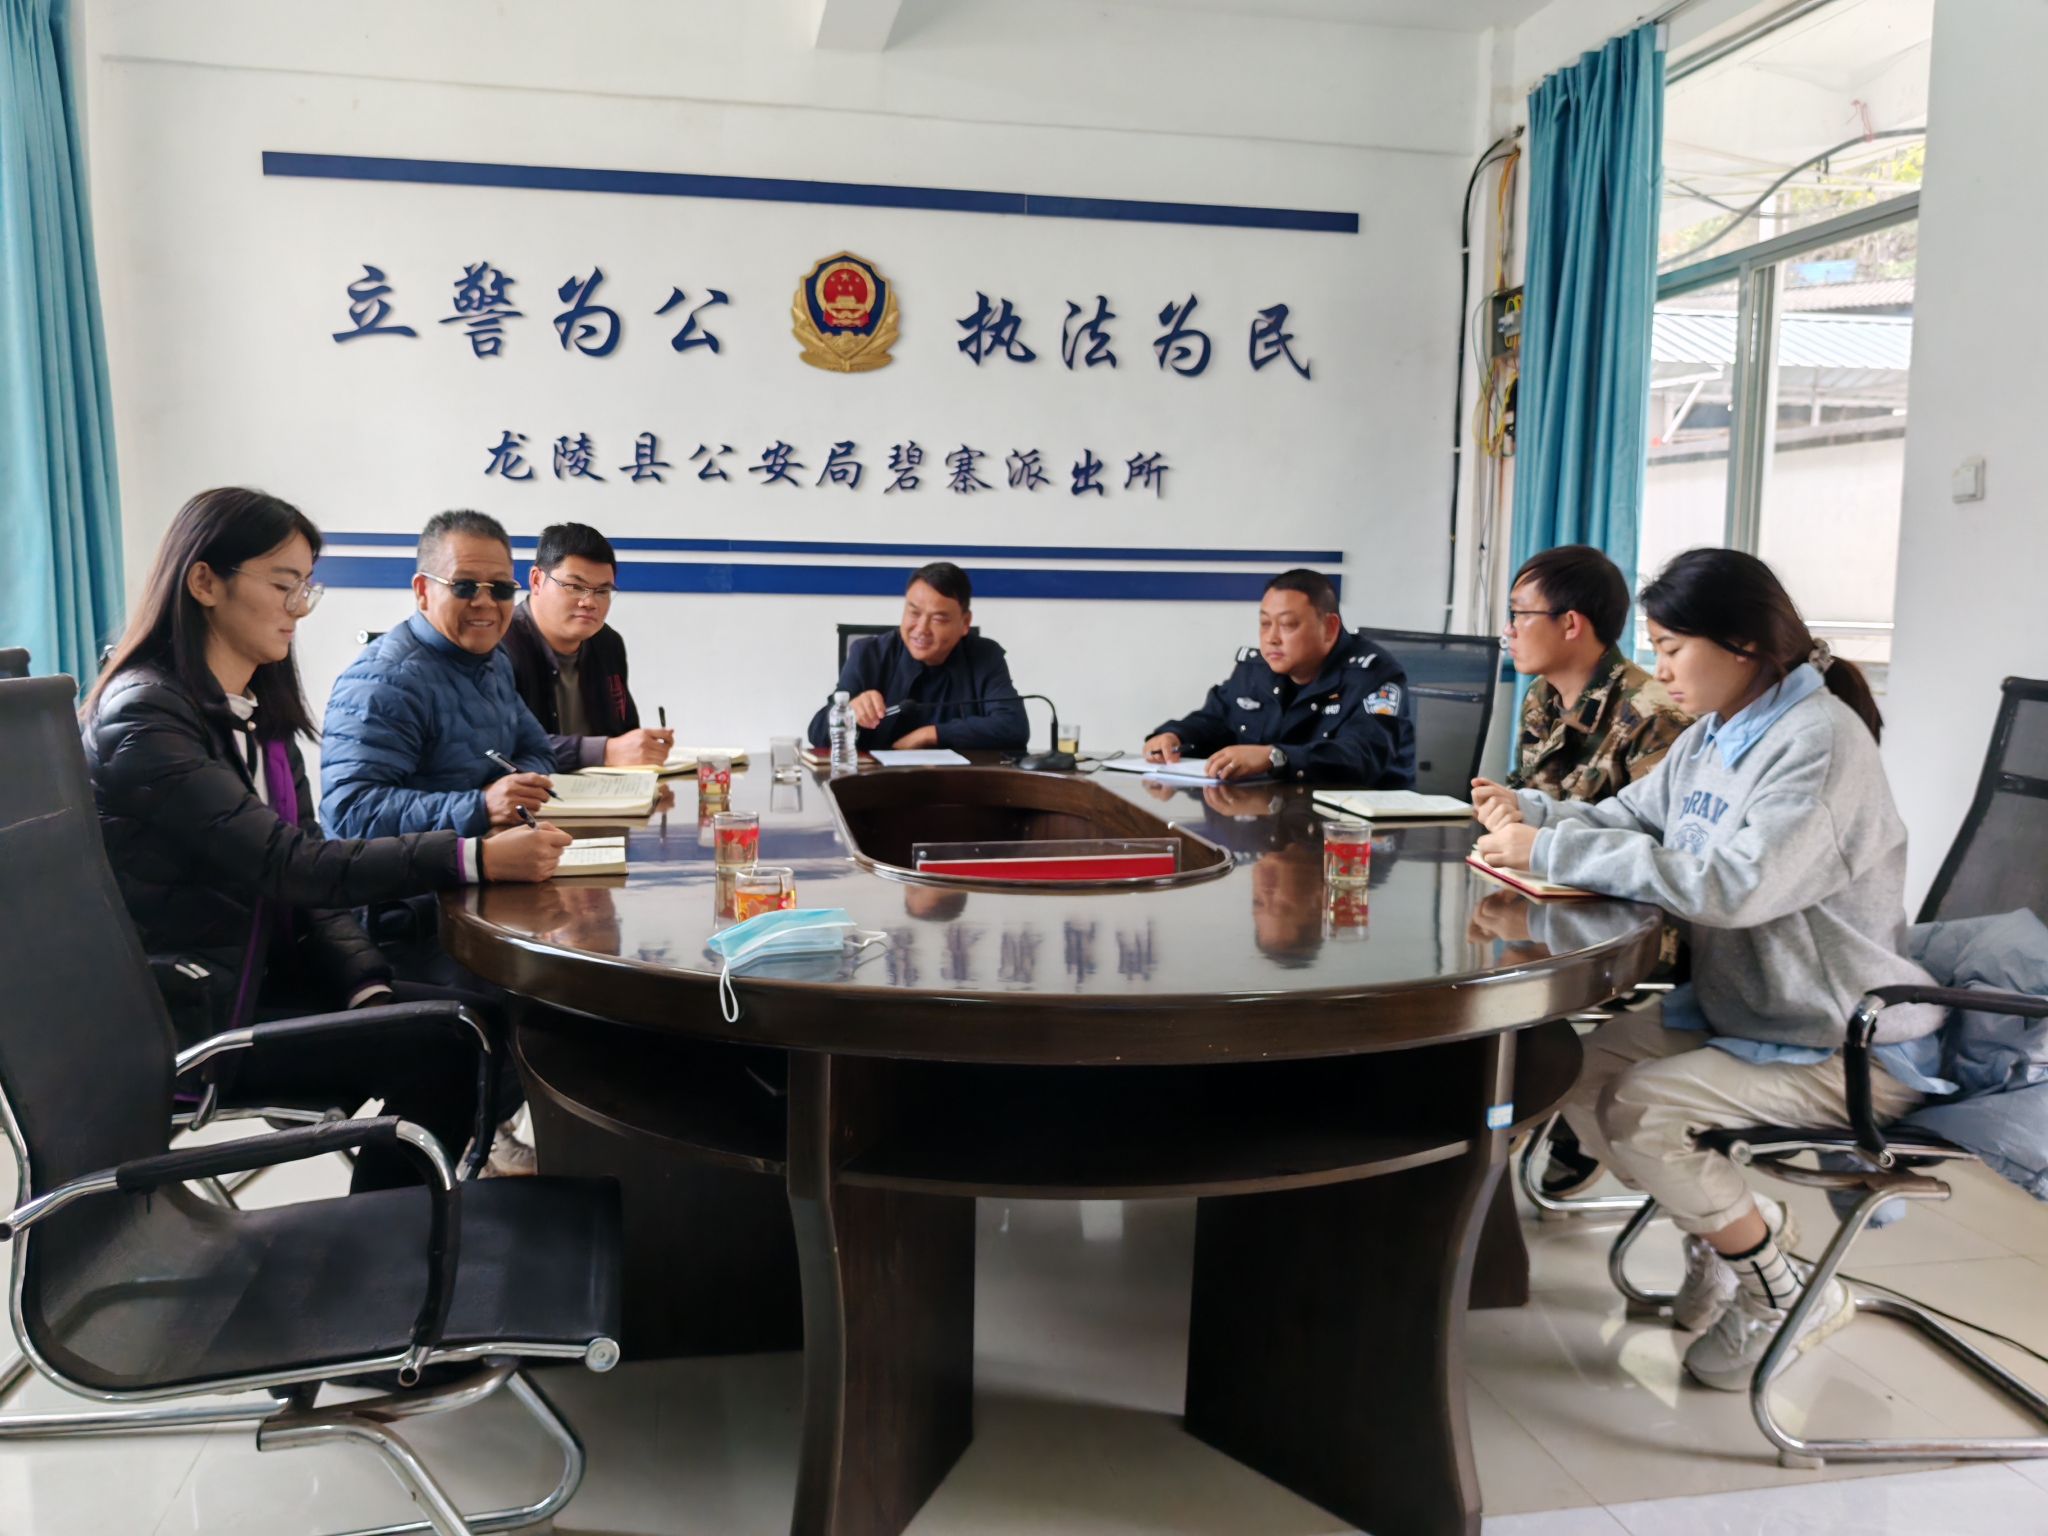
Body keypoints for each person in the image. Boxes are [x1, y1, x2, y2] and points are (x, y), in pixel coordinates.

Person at [1471, 548, 1948, 1390]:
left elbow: (1734, 887)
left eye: (1669, 648)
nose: (1659, 670)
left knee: (1646, 1112)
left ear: (1742, 645)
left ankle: (1784, 1292)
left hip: (1841, 1040)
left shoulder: (1819, 744)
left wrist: (1548, 848)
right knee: (1573, 1075)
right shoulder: (1720, 732)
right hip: (1750, 1012)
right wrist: (1535, 812)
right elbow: (1630, 817)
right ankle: (1733, 1236)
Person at [82, 488, 572, 1190]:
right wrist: (471, 854)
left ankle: (399, 1220)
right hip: (195, 1016)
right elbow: (292, 863)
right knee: (464, 1043)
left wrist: (363, 983)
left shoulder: (255, 711)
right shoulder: (144, 720)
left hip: (266, 974)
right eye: (284, 585)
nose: (300, 608)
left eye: (306, 588)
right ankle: (391, 1230)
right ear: (204, 582)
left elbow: (302, 865)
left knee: (486, 1026)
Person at [1496, 544, 1691, 1199]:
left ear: (1571, 624)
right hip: (1556, 899)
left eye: (1520, 614)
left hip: (1637, 926)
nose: (1509, 630)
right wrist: (1507, 810)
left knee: (1501, 985)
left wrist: (1543, 839)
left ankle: (1538, 1118)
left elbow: (1664, 855)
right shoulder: (1543, 700)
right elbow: (1538, 802)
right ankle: (1506, 1119)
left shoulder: (1654, 712)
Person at [321, 509, 558, 839]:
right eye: (464, 586)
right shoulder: (384, 681)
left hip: (479, 856)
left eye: (501, 588)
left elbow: (539, 752)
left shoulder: (494, 659)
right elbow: (351, 813)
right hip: (411, 873)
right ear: (422, 591)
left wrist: (513, 791)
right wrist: (480, 806)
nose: (485, 602)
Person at [1144, 569, 1415, 786]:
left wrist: (1276, 757)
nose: (1271, 638)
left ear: (1330, 628)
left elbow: (1362, 756)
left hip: (1356, 826)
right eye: (1265, 624)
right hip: (1273, 816)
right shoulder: (1256, 670)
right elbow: (1215, 720)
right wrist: (1174, 736)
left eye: (1287, 624)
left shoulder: (1372, 675)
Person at [502, 521, 674, 773]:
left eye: (602, 591)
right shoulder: (500, 645)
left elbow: (623, 732)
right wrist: (605, 751)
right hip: (531, 794)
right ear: (537, 580)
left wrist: (642, 747)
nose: (589, 602)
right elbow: (504, 747)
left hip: (606, 791)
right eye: (575, 587)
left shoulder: (607, 643)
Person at [805, 562, 1029, 753]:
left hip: (961, 784)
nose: (921, 629)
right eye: (914, 613)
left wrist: (930, 734)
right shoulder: (869, 654)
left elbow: (1013, 726)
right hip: (879, 784)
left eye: (938, 619)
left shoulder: (985, 655)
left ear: (965, 623)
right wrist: (849, 712)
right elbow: (817, 734)